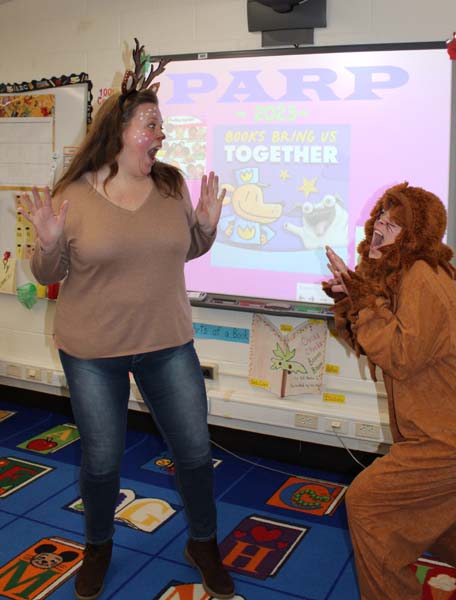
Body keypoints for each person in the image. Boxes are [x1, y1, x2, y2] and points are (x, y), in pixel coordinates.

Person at [20, 43, 235, 600]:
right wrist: (44, 245)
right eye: (151, 123)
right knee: (102, 459)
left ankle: (203, 544)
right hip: (93, 351)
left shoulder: (171, 185)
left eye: (161, 124)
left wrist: (207, 227)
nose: (161, 134)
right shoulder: (73, 196)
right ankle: (98, 547)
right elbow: (52, 270)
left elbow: (182, 249)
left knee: (193, 451)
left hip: (168, 343)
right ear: (119, 129)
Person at [323, 182, 456, 599]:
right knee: (429, 514)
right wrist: (351, 299)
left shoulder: (420, 276)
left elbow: (399, 354)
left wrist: (359, 301)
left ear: (413, 237)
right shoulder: (399, 279)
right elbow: (375, 341)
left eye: (394, 223)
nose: (380, 224)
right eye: (381, 215)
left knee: (369, 504)